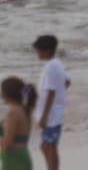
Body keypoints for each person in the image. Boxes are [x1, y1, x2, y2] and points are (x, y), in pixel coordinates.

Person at [31, 35, 67, 170]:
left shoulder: (50, 67)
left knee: (48, 146)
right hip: (56, 111)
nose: (37, 54)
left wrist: (44, 116)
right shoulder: (57, 63)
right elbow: (67, 81)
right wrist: (61, 93)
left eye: (38, 51)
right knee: (47, 146)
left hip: (51, 114)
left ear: (46, 51)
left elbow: (51, 92)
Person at [1, 75, 34, 170]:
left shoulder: (13, 113)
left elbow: (8, 143)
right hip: (22, 155)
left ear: (6, 93)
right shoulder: (25, 110)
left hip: (13, 159)